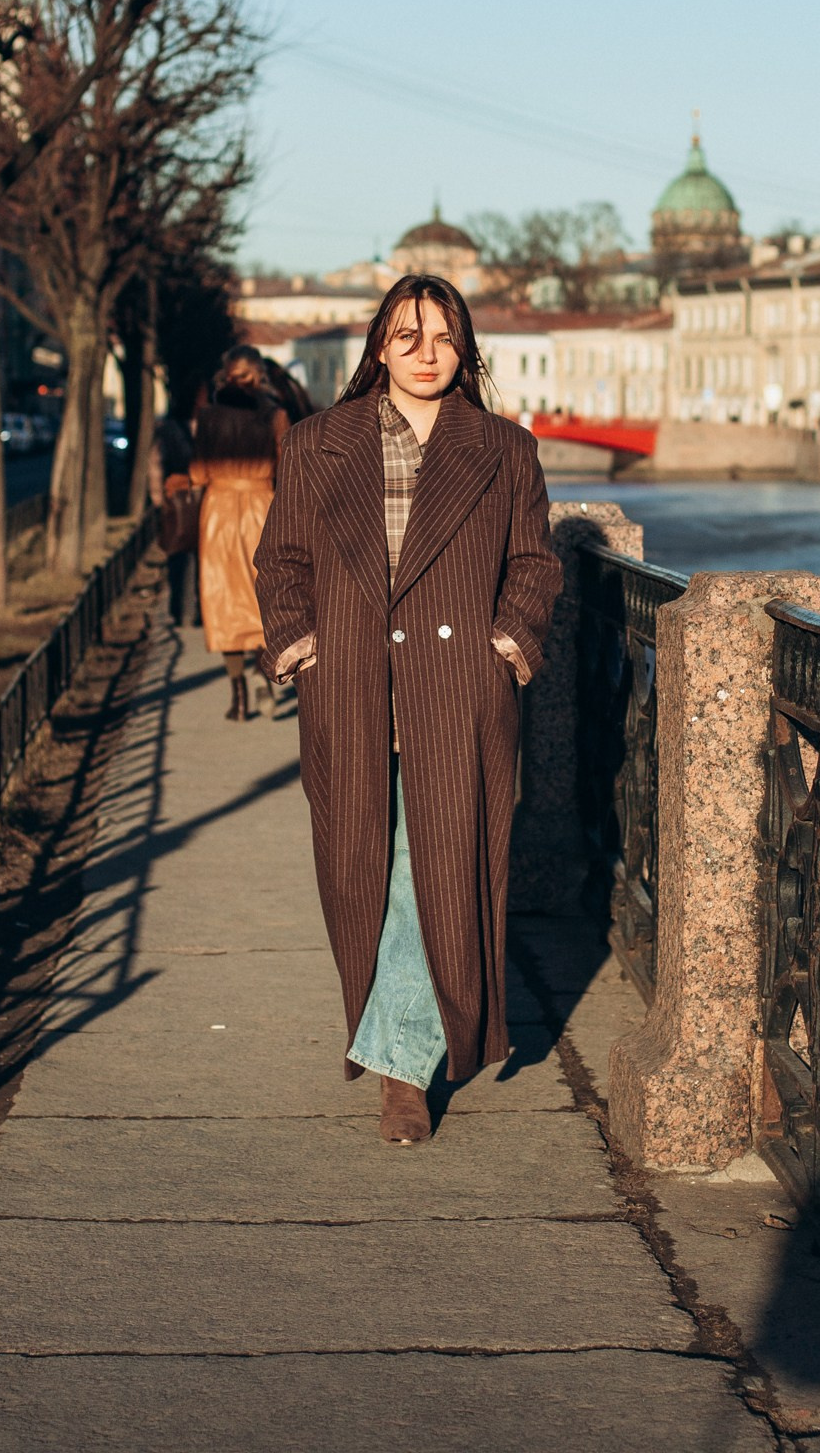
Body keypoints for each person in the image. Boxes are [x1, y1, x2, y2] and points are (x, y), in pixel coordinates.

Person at [253, 274, 560, 1146]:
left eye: (444, 337)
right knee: (363, 872)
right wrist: (298, 642)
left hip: (455, 690)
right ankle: (396, 1038)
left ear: (466, 349)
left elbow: (534, 563)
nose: (427, 355)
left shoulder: (504, 448)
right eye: (407, 337)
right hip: (351, 684)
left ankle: (401, 1069)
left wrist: (507, 642)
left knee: (437, 873)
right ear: (379, 348)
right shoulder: (317, 443)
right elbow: (282, 558)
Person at [191, 347, 289, 719]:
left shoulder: (209, 417)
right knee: (262, 596)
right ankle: (265, 678)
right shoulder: (275, 415)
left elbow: (199, 472)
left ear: (226, 375)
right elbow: (287, 466)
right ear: (259, 375)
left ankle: (239, 697)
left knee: (223, 599)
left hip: (218, 512)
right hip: (261, 507)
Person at [152, 406, 199, 629]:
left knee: (192, 557)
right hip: (180, 496)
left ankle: (188, 610)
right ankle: (182, 609)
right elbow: (156, 462)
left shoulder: (206, 422)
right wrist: (158, 497)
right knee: (180, 555)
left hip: (194, 495)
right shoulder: (170, 428)